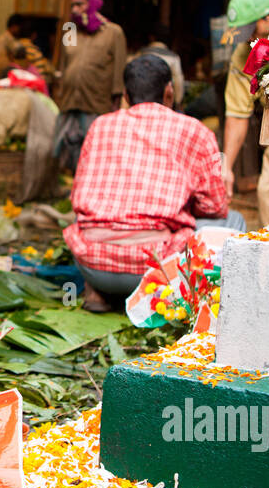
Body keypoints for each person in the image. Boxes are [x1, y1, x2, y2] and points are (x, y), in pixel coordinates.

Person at [64, 55, 244, 311]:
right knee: (234, 221)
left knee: (80, 219)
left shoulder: (100, 125)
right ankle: (193, 303)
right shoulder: (195, 130)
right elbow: (215, 206)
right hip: (157, 269)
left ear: (126, 95)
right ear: (169, 92)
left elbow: (78, 196)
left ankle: (97, 294)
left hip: (93, 265)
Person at [221, 0, 269, 229]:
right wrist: (226, 166)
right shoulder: (243, 53)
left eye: (250, 28)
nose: (246, 37)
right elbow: (237, 115)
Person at [52, 0, 127, 171]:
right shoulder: (69, 30)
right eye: (72, 6)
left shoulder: (113, 32)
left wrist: (116, 102)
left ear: (91, 4)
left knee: (95, 155)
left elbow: (119, 71)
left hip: (96, 104)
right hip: (70, 101)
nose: (74, 10)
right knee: (64, 154)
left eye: (79, 4)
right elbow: (63, 64)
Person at [134, 23, 185, 109]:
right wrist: (177, 101)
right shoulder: (173, 58)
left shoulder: (140, 54)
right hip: (163, 102)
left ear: (151, 37)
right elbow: (178, 82)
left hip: (141, 101)